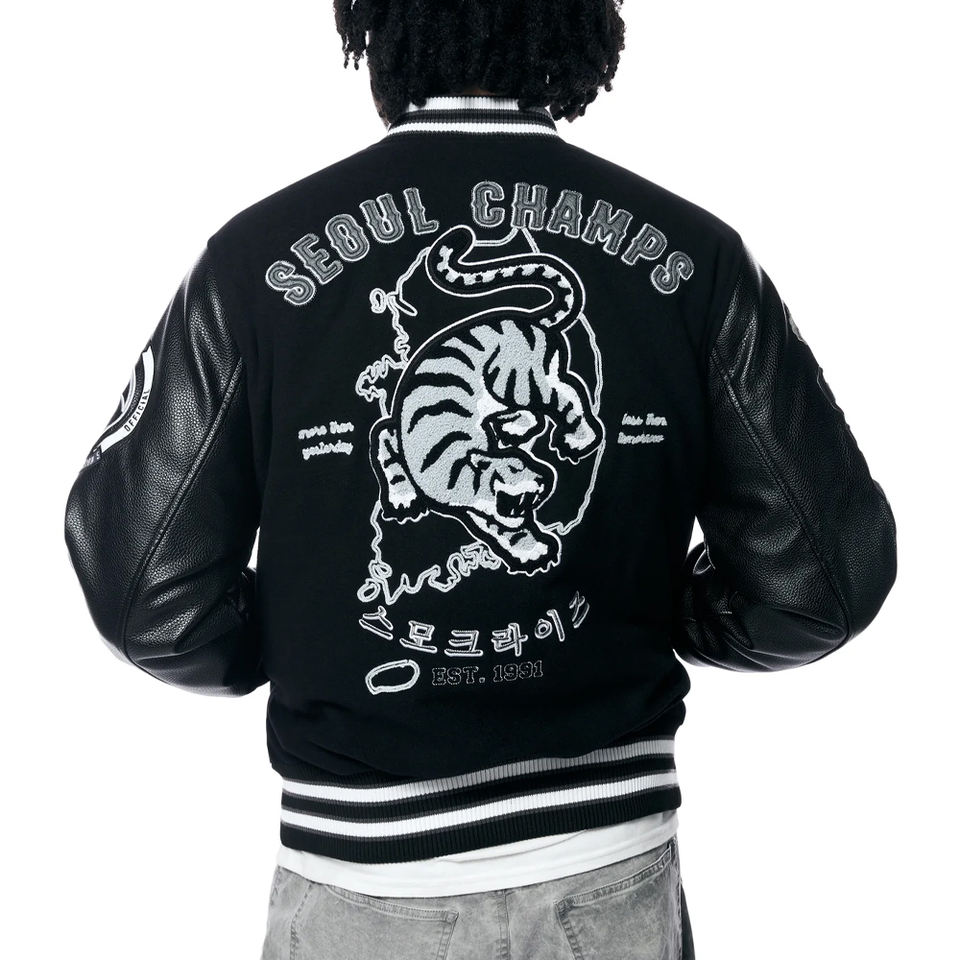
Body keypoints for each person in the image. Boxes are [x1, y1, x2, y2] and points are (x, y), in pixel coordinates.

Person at [63, 2, 898, 957]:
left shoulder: (254, 260)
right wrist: (661, 607)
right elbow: (823, 582)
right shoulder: (694, 255)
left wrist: (289, 637)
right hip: (609, 883)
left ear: (376, 21)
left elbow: (145, 595)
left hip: (362, 893)